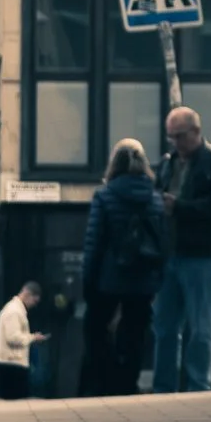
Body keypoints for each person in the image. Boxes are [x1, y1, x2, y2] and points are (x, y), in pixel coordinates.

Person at [151, 106, 211, 393]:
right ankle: (164, 387)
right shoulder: (167, 162)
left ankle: (198, 386)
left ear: (196, 132)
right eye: (171, 137)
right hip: (170, 252)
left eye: (180, 136)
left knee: (200, 328)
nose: (175, 143)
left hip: (201, 253)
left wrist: (180, 207)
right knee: (165, 327)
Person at [80, 142, 167, 397]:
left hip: (109, 278)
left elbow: (94, 242)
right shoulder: (155, 198)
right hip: (143, 279)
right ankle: (127, 384)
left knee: (96, 329)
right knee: (135, 334)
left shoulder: (104, 195)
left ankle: (102, 383)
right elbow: (162, 240)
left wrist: (88, 280)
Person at [0, 281, 38, 399]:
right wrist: (32, 337)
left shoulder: (15, 309)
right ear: (27, 294)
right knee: (16, 401)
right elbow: (13, 337)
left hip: (11, 363)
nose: (34, 304)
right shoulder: (14, 311)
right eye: (34, 300)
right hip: (12, 364)